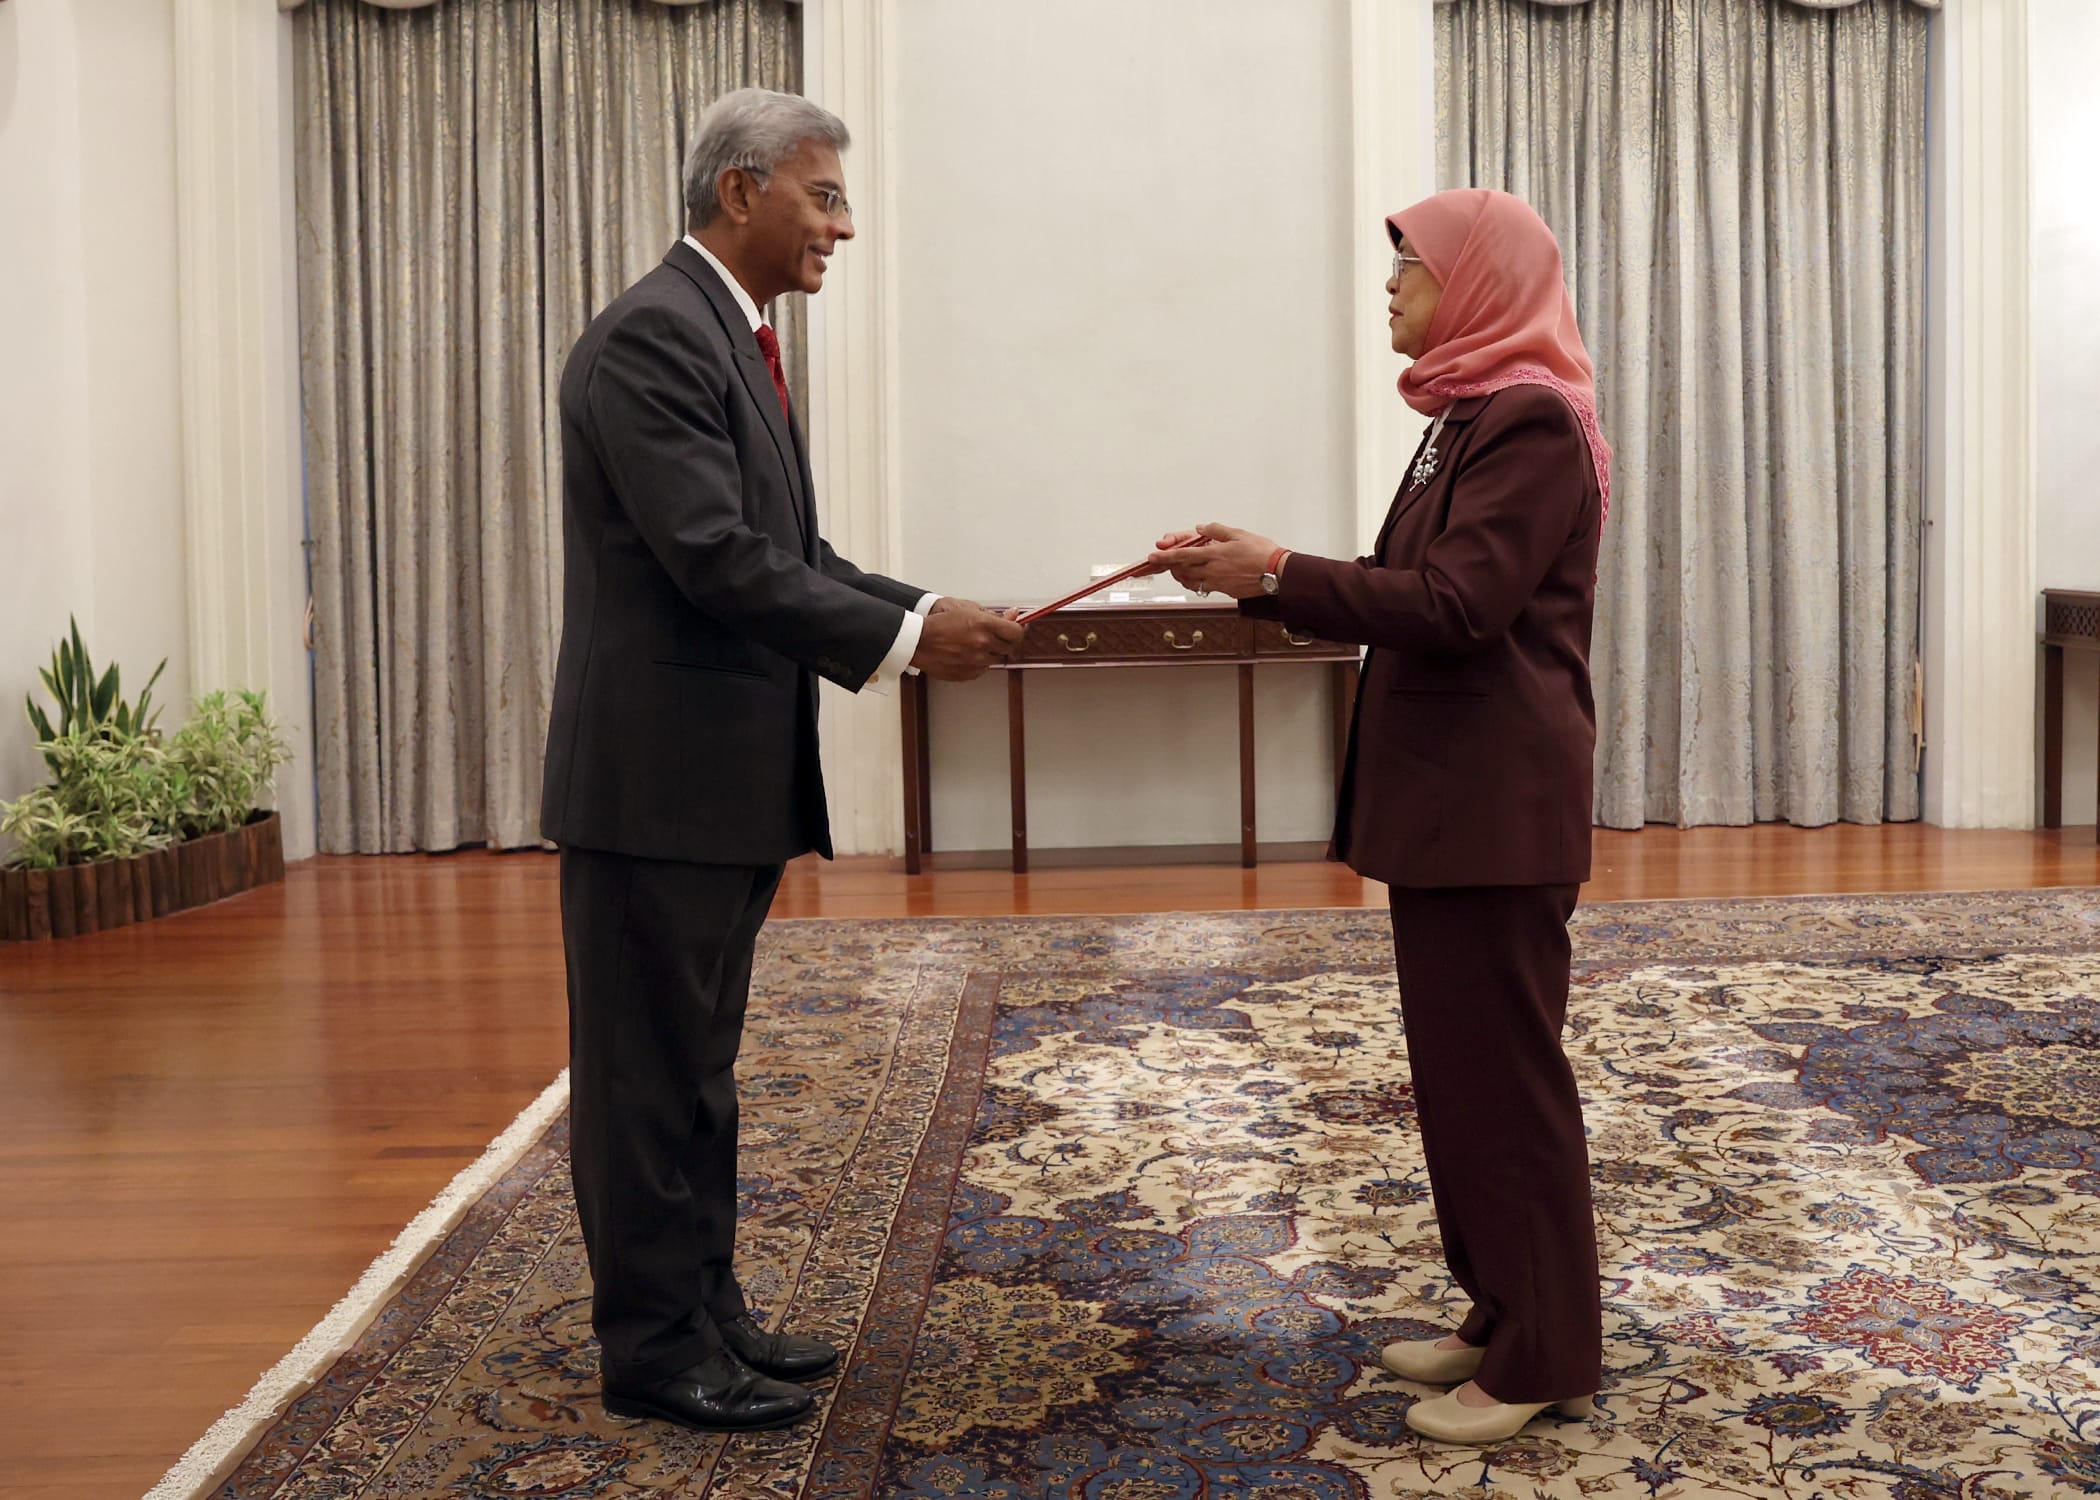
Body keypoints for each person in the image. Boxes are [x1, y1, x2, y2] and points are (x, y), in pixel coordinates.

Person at [540, 87, 1023, 1434]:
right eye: (826, 196)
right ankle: (652, 1349)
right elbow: (714, 558)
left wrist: (927, 612)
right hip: (654, 788)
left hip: (712, 788)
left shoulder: (730, 334)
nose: (843, 227)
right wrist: (910, 642)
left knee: (695, 1072)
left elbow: (791, 556)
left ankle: (707, 1311)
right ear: (740, 189)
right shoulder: (655, 336)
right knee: (644, 1081)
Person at [1148, 188, 1610, 1445]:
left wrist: (1277, 572)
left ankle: (1546, 1353)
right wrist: (1263, 572)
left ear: (1480, 281)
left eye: (1411, 265)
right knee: (1461, 1080)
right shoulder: (1468, 415)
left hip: (1496, 807)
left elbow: (1458, 606)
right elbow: (1407, 585)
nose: (1391, 285)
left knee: (1505, 1083)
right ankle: (1506, 1313)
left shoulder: (1530, 421)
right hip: (1455, 806)